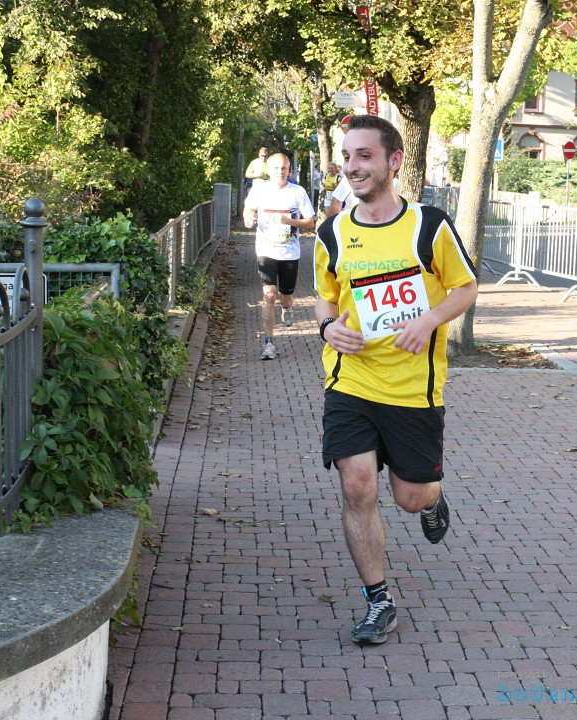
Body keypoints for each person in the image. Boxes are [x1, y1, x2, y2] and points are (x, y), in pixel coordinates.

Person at [314, 115, 478, 645]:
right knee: (356, 485)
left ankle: (432, 500)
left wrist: (430, 320)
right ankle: (377, 601)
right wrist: (326, 327)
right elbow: (326, 296)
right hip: (351, 382)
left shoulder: (429, 226)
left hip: (413, 390)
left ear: (394, 161)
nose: (353, 166)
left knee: (409, 496)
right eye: (347, 156)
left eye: (364, 155)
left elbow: (465, 287)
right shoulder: (333, 231)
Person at [243, 152, 315, 360]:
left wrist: (288, 221)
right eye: (276, 168)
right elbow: (248, 209)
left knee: (286, 297)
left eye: (284, 168)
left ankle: (287, 308)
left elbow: (310, 221)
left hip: (290, 252)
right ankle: (269, 343)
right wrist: (248, 218)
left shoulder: (297, 192)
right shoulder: (260, 189)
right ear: (268, 171)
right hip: (266, 249)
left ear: (289, 170)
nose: (280, 172)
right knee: (269, 294)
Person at [328, 172, 401, 216]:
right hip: (353, 232)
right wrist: (346, 223)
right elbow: (335, 205)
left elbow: (394, 208)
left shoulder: (394, 182)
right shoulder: (350, 178)